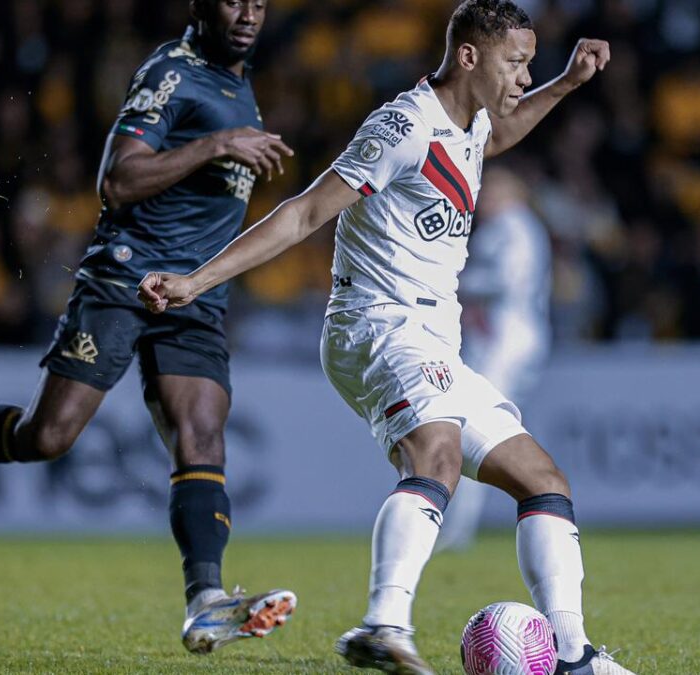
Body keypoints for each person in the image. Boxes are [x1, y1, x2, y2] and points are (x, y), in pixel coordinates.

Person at [139, 2, 634, 673]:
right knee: (438, 452)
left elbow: (498, 134)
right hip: (377, 322)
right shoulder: (403, 125)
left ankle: (572, 654)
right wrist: (199, 282)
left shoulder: (469, 123)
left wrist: (567, 83)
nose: (524, 75)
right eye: (515, 62)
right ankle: (383, 623)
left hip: (434, 335)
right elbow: (305, 211)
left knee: (542, 479)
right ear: (468, 56)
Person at [0, 0, 297, 655]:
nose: (248, 14)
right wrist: (217, 144)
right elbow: (116, 180)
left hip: (194, 296)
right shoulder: (171, 72)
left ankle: (205, 600)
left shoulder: (238, 85)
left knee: (201, 432)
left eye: (259, 2)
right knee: (49, 435)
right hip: (125, 279)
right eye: (234, 0)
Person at [436, 166, 552, 552]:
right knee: (474, 427)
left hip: (508, 336)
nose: (480, 199)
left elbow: (508, 281)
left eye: (488, 192)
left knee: (474, 427)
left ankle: (457, 529)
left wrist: (452, 282)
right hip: (494, 337)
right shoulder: (505, 228)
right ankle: (460, 525)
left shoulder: (516, 228)